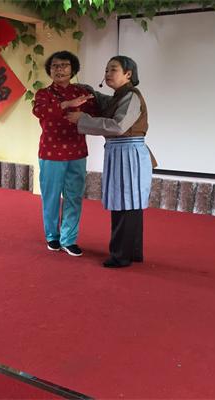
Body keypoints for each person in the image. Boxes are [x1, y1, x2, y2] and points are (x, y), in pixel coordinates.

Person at [66, 56, 154, 268]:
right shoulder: (121, 96)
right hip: (123, 152)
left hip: (128, 153)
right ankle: (131, 252)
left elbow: (118, 126)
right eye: (106, 70)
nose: (107, 73)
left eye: (113, 69)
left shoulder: (131, 96)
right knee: (129, 204)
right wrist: (89, 91)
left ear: (128, 74)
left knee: (126, 204)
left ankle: (120, 255)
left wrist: (82, 119)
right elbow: (104, 101)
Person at [32, 51, 97, 257]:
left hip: (76, 151)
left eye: (64, 65)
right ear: (49, 70)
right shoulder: (43, 94)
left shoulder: (82, 93)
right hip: (51, 151)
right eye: (55, 66)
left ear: (73, 69)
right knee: (51, 196)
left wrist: (83, 111)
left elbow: (94, 116)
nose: (59, 69)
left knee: (74, 197)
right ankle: (52, 236)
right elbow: (40, 112)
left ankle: (69, 239)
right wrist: (67, 104)